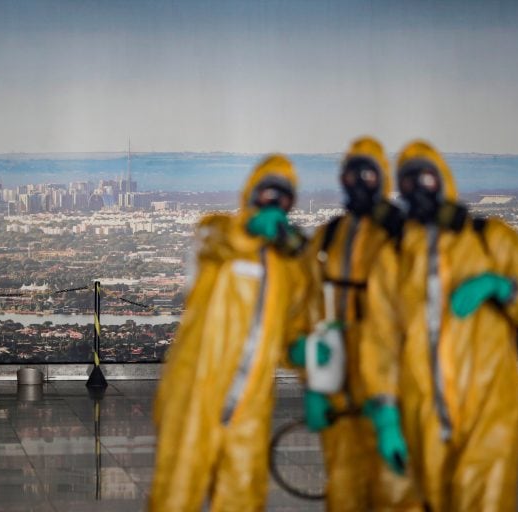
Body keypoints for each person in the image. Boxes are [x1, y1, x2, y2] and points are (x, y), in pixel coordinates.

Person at [360, 140, 518, 511]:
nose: (419, 189)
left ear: (443, 179)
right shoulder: (394, 256)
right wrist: (385, 414)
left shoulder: (492, 239)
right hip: (419, 410)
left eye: (426, 178)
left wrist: (502, 286)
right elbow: (379, 340)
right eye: (409, 180)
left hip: (488, 411)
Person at [149, 154, 310, 512]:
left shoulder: (290, 271)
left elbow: (291, 328)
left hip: (249, 406)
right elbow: (210, 239)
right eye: (266, 192)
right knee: (176, 494)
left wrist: (304, 355)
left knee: (241, 498)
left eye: (282, 196)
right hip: (195, 393)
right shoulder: (220, 234)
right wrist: (250, 231)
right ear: (250, 194)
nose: (273, 202)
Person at [287, 136, 423, 511]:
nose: (359, 183)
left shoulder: (402, 238)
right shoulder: (332, 236)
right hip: (339, 384)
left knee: (397, 493)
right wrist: (310, 372)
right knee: (345, 488)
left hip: (395, 385)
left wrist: (390, 404)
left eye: (368, 174)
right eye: (352, 175)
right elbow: (305, 305)